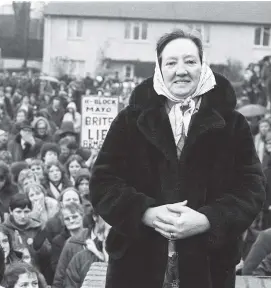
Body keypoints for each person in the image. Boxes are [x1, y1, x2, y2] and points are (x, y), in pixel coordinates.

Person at [89, 29, 266, 288]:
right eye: (171, 62)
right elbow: (103, 183)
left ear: (202, 65)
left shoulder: (232, 124)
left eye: (190, 61)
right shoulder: (130, 120)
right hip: (136, 265)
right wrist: (145, 212)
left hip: (209, 268)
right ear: (159, 68)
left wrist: (209, 219)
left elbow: (252, 188)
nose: (180, 70)